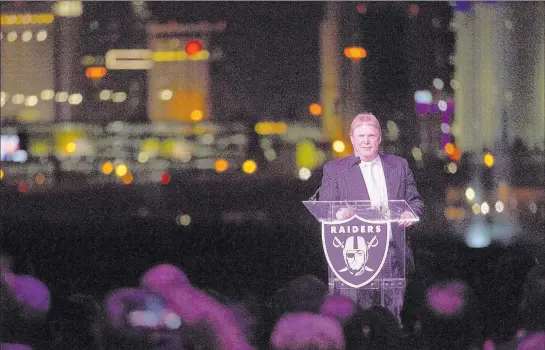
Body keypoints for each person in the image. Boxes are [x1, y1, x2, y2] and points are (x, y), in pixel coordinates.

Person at [318, 112, 423, 322]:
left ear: (379, 138)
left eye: (371, 135)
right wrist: (340, 214)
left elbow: (415, 202)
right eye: (361, 136)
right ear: (352, 138)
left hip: (393, 258)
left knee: (394, 324)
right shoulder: (335, 169)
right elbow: (323, 208)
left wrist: (410, 213)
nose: (366, 141)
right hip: (354, 262)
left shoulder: (399, 166)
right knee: (357, 321)